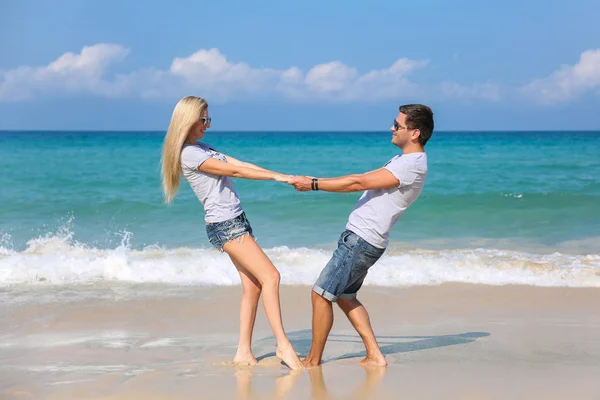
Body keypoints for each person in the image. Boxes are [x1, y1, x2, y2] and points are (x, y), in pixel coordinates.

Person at [160, 95, 304, 370]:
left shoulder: (203, 148)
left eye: (208, 119)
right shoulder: (189, 154)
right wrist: (277, 178)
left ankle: (243, 353)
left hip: (236, 221)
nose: (207, 124)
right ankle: (283, 345)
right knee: (271, 276)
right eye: (204, 119)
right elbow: (236, 171)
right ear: (189, 120)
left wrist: (283, 176)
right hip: (225, 225)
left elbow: (244, 164)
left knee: (253, 287)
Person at [288, 104, 434, 367]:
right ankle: (375, 355)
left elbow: (359, 183)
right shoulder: (407, 161)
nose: (392, 128)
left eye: (398, 125)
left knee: (321, 294)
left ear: (414, 133)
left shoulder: (411, 164)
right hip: (365, 240)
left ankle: (312, 360)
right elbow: (364, 178)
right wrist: (317, 179)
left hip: (361, 240)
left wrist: (313, 185)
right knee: (345, 296)